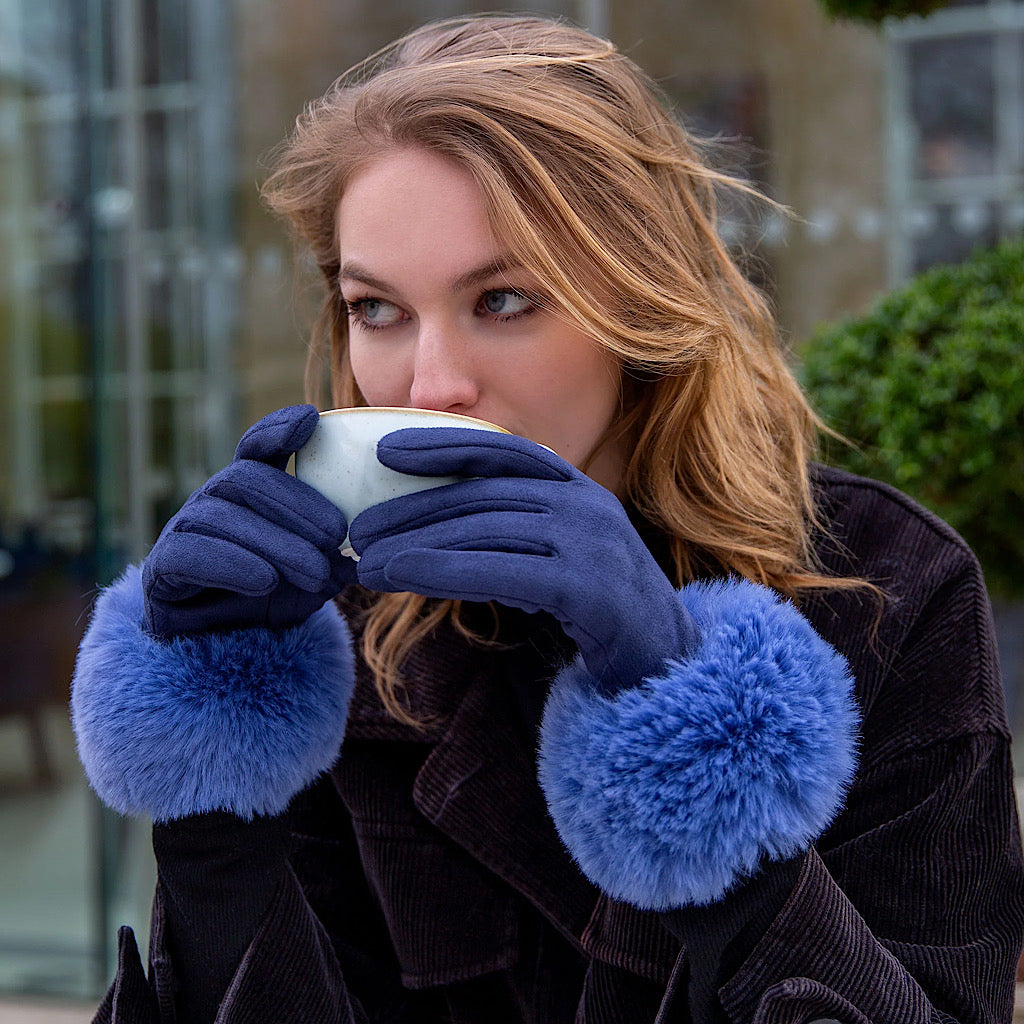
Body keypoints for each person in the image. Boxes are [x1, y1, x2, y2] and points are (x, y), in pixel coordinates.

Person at [70, 14, 1024, 1024]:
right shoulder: (328, 634)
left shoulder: (885, 590)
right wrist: (216, 802)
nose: (431, 385)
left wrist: (687, 723)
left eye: (506, 298)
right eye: (377, 309)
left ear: (636, 298)